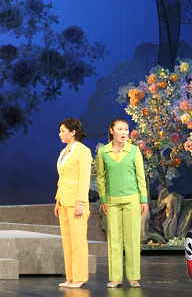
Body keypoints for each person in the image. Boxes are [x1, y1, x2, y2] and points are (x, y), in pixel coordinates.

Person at [96, 118, 149, 288]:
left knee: (132, 238)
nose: (124, 132)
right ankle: (115, 278)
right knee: (114, 239)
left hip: (132, 201)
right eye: (120, 129)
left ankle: (133, 277)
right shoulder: (103, 152)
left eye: (126, 129)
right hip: (111, 201)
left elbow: (141, 177)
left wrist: (143, 199)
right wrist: (103, 199)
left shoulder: (134, 150)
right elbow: (100, 178)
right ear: (112, 131)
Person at [54, 118, 92, 288]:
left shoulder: (82, 151)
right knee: (68, 241)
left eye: (63, 131)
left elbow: (84, 178)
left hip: (77, 201)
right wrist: (58, 200)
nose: (60, 134)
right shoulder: (64, 151)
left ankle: (80, 277)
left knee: (78, 241)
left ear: (73, 132)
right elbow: (62, 178)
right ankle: (70, 277)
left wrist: (81, 202)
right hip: (64, 200)